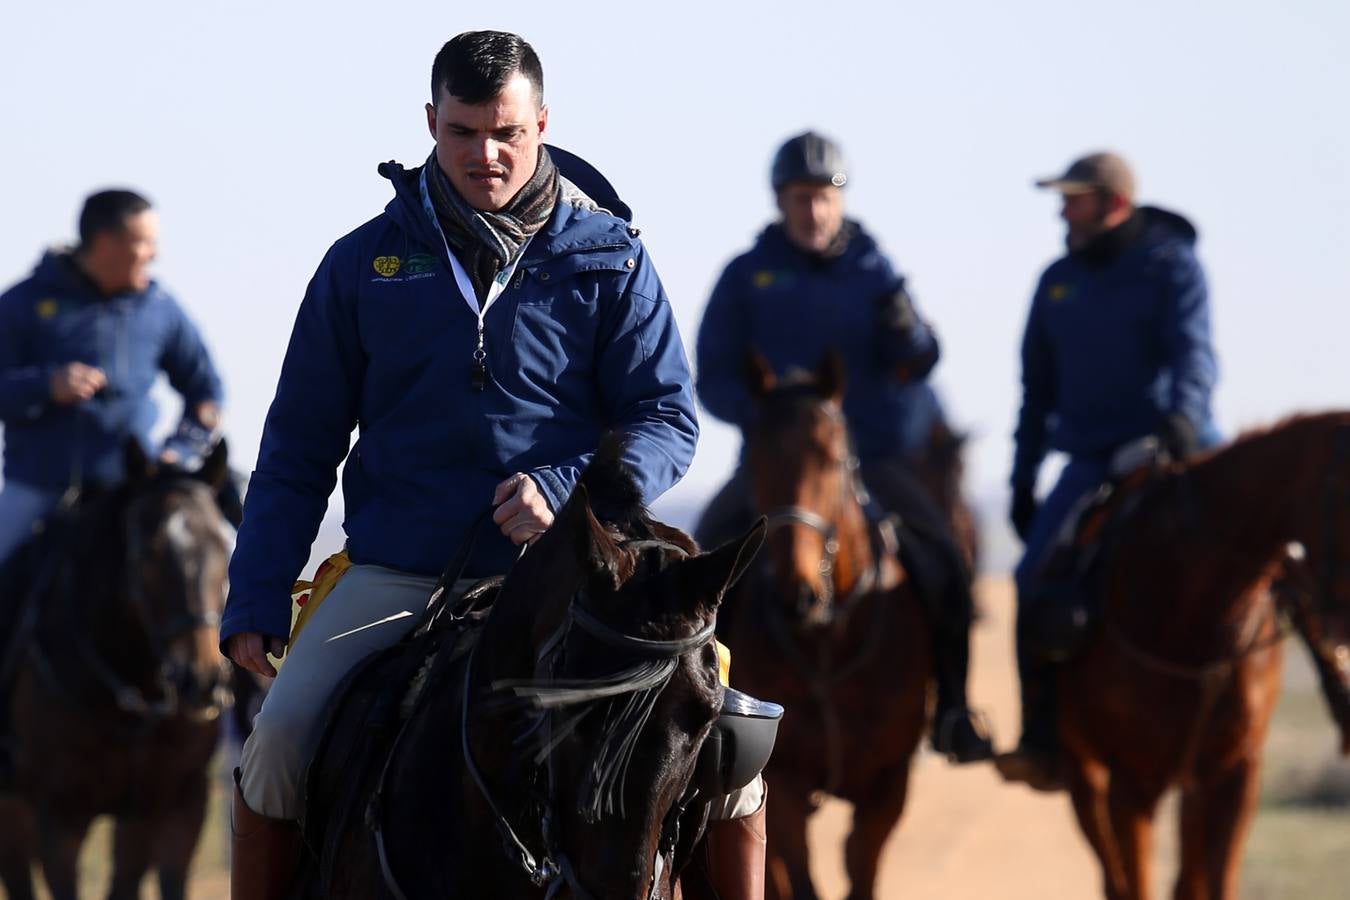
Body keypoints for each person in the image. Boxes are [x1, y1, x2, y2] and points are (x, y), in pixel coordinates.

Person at [221, 30, 766, 899]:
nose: (487, 154)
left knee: (738, 749)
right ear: (430, 123)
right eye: (464, 132)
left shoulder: (614, 258)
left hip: (582, 583)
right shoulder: (361, 265)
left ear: (542, 123)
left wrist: (564, 489)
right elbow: (296, 447)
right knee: (277, 747)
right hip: (398, 573)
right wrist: (255, 595)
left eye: (507, 132)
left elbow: (666, 418)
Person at [695, 131, 993, 763]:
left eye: (824, 196)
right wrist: (773, 422)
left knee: (944, 561)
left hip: (878, 459)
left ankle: (954, 711)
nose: (813, 210)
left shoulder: (875, 271)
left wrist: (911, 334)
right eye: (800, 197)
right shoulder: (746, 277)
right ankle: (697, 715)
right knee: (701, 565)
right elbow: (713, 377)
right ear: (780, 201)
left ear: (840, 199)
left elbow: (921, 360)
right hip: (775, 471)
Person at [997, 151, 1219, 790]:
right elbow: (1036, 391)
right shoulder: (1056, 281)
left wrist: (1183, 419)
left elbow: (1194, 357)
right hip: (1091, 460)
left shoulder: (1172, 265)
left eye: (1074, 200)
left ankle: (1334, 688)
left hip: (1179, 444)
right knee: (1030, 577)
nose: (1063, 213)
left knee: (1269, 550)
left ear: (1114, 203)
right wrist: (1022, 477)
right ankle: (1041, 737)